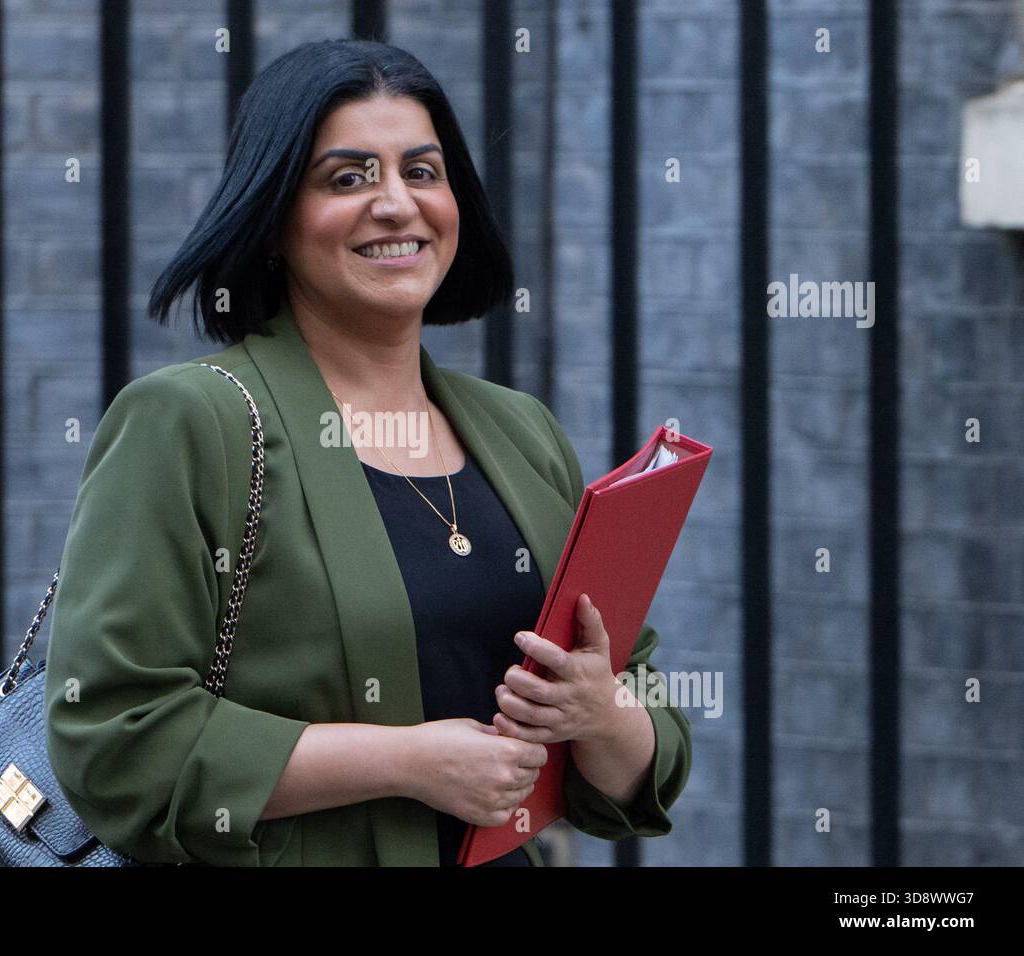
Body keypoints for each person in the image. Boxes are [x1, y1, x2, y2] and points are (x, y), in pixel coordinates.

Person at [44, 38, 691, 867]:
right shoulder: (190, 422)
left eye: (422, 171)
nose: (395, 204)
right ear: (273, 219)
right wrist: (409, 762)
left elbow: (645, 735)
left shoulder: (520, 432)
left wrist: (601, 715)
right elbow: (113, 739)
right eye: (347, 178)